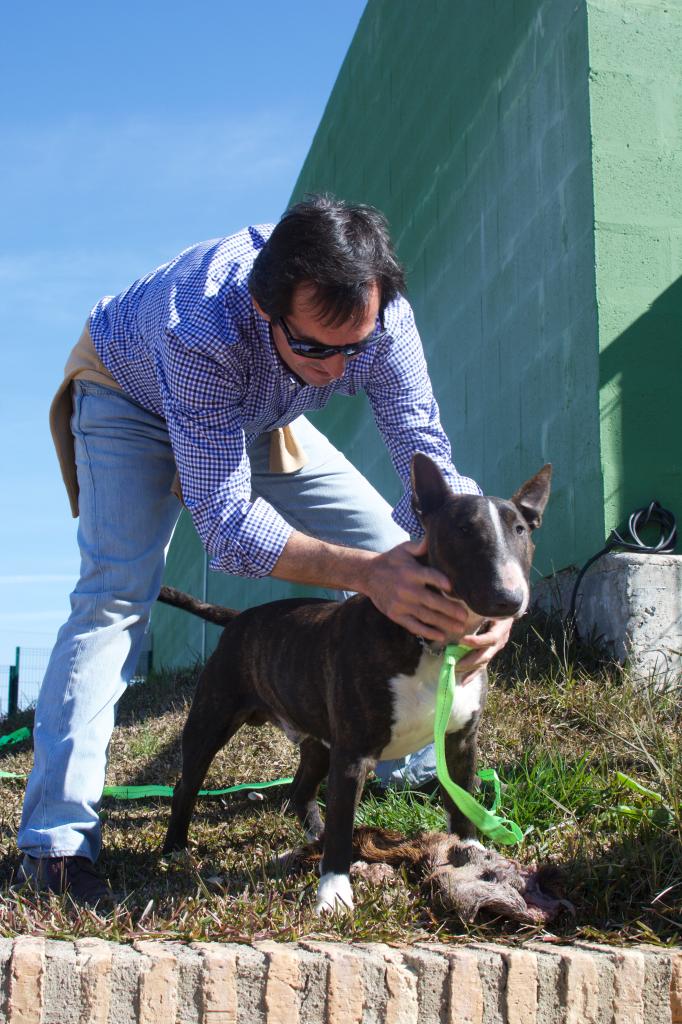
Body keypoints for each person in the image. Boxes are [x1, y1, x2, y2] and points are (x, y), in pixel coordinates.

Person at [18, 195, 512, 905]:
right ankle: (55, 847)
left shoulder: (378, 322)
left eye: (356, 349)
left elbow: (424, 460)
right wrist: (367, 576)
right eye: (316, 346)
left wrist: (475, 580)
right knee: (114, 599)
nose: (340, 371)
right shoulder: (202, 326)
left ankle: (403, 749)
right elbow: (224, 524)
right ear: (265, 309)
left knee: (395, 547)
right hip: (134, 399)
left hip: (256, 410)